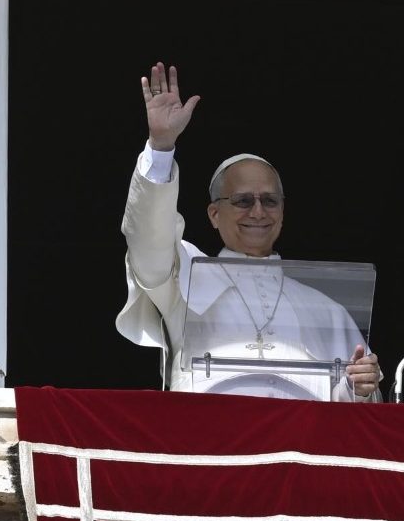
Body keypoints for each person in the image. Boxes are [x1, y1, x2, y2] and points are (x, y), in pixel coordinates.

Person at [116, 62, 383, 401]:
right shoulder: (185, 278)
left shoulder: (326, 310)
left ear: (282, 212)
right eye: (243, 201)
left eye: (269, 201)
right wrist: (161, 146)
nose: (258, 212)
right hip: (211, 430)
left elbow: (351, 410)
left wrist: (357, 387)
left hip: (297, 434)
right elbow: (147, 237)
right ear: (214, 214)